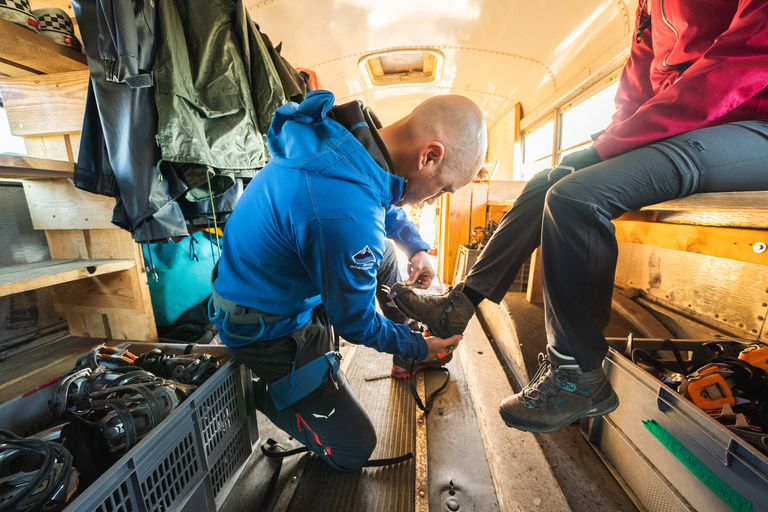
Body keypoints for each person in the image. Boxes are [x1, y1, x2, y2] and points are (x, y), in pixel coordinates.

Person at [391, 0, 768, 434]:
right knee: (545, 180)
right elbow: (636, 86)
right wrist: (613, 137)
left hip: (747, 115)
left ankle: (578, 373)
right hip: (688, 122)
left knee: (574, 197)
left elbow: (741, 58)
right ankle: (460, 305)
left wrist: (616, 145)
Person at [211, 90, 487, 471]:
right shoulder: (343, 213)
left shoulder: (344, 142)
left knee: (386, 253)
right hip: (266, 328)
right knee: (353, 450)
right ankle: (264, 394)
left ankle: (405, 352)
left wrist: (417, 247)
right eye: (443, 188)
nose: (432, 201)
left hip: (277, 286)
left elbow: (378, 194)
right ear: (430, 155)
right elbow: (355, 322)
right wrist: (421, 347)